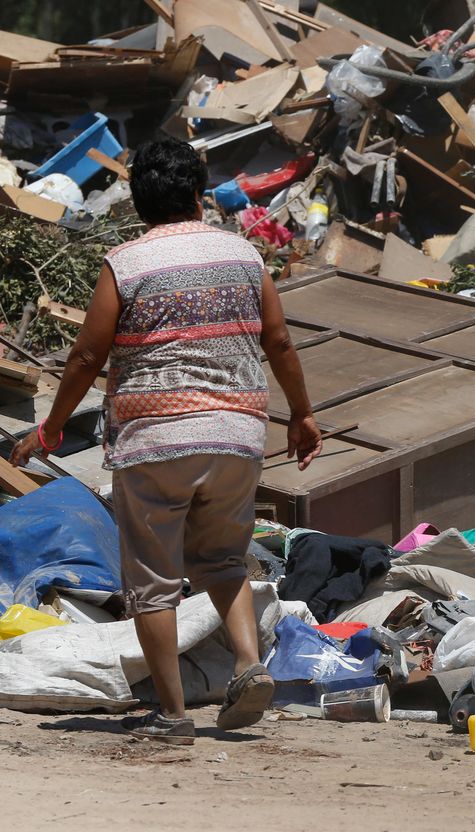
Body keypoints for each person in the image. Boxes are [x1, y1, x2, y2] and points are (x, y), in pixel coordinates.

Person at [10, 138, 322, 745]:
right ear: (199, 196)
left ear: (138, 202)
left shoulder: (125, 263)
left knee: (153, 582)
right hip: (236, 433)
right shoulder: (244, 254)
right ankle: (249, 663)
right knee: (223, 561)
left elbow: (87, 355)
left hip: (155, 438)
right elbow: (279, 341)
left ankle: (173, 715)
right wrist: (302, 415)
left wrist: (51, 427)